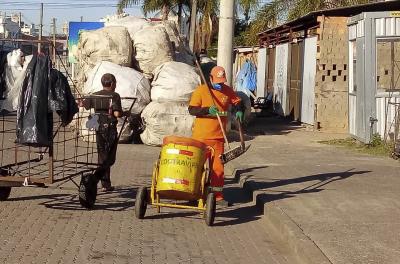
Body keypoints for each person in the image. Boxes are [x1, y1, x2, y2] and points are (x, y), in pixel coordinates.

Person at [188, 66, 244, 206]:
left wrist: (239, 110)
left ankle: (218, 196)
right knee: (197, 166)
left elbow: (238, 102)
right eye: (217, 81)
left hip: (219, 138)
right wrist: (207, 110)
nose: (220, 84)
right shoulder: (201, 91)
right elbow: (192, 109)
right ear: (210, 79)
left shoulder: (227, 90)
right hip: (200, 137)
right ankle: (193, 195)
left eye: (222, 81)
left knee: (218, 169)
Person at [80, 73, 122, 192]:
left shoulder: (94, 95)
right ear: (112, 83)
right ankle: (94, 179)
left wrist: (84, 101)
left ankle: (105, 184)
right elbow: (117, 114)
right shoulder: (114, 96)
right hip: (110, 129)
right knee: (110, 158)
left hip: (99, 128)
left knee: (102, 156)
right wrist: (126, 113)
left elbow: (84, 104)